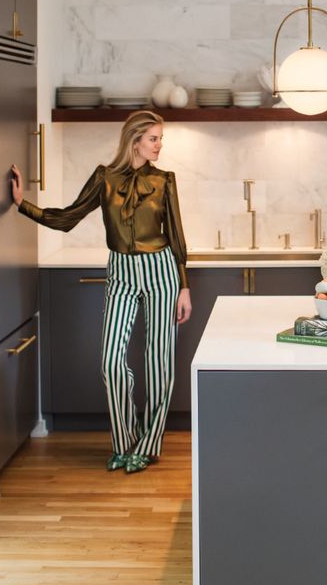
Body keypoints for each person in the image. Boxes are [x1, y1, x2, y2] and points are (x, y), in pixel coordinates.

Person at [10, 110, 192, 474]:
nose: (159, 146)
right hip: (121, 271)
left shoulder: (165, 181)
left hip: (162, 271)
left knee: (159, 363)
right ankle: (125, 443)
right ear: (135, 140)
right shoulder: (104, 178)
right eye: (154, 138)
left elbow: (176, 235)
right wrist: (21, 204)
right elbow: (67, 217)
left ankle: (149, 444)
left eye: (160, 139)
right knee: (111, 361)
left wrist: (184, 286)